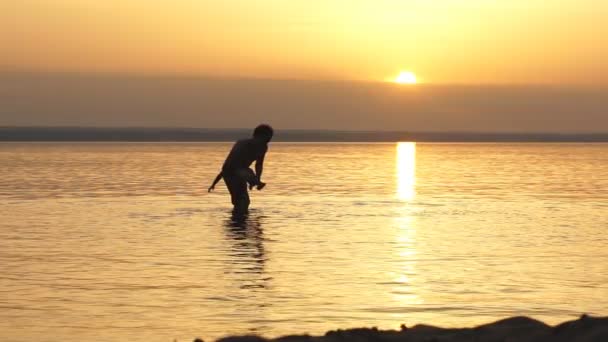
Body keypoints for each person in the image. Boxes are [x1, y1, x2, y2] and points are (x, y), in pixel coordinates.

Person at [208, 124, 273, 212]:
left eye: (270, 136)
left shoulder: (263, 147)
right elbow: (229, 165)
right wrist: (216, 181)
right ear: (259, 136)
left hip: (242, 171)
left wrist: (257, 179)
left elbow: (259, 164)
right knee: (240, 200)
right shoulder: (243, 143)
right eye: (268, 136)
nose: (269, 139)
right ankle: (237, 220)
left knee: (245, 201)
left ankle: (239, 220)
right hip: (230, 172)